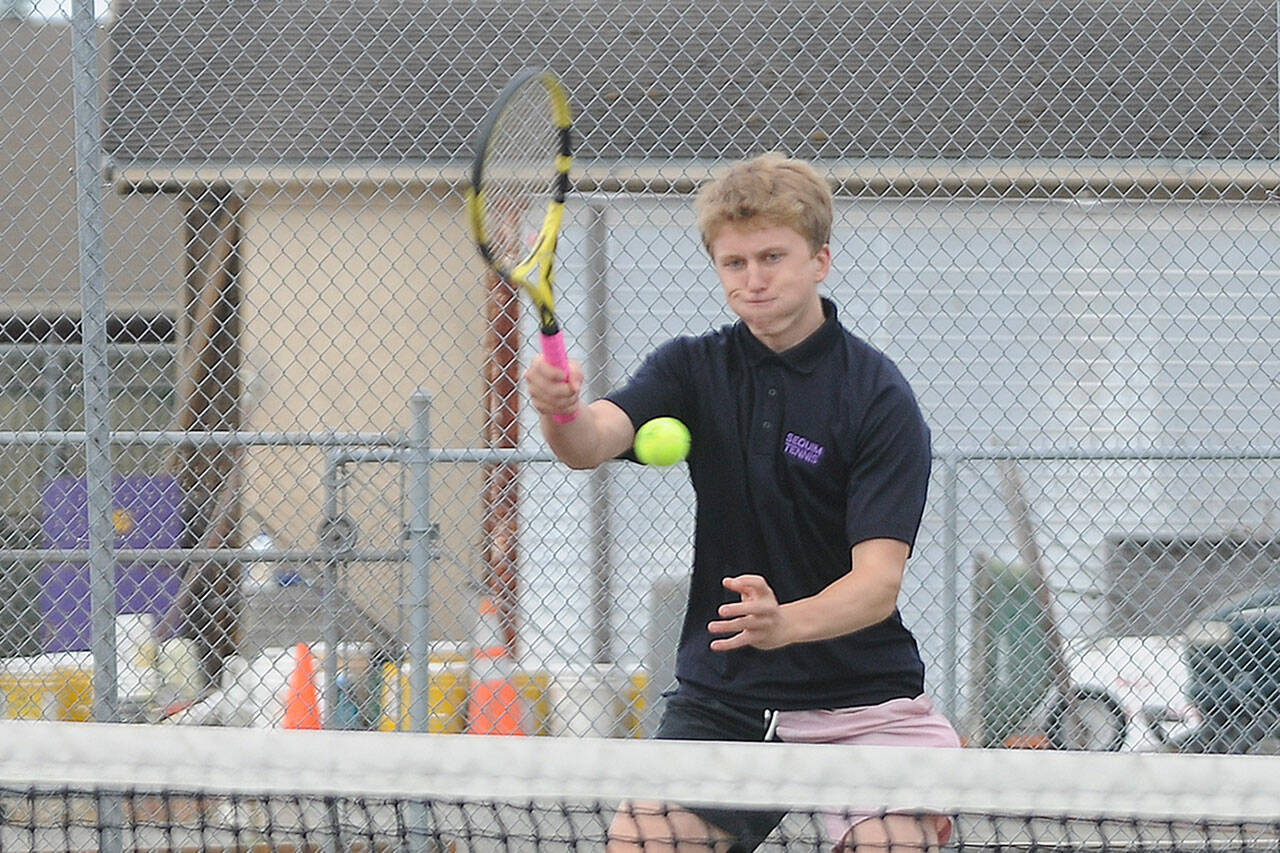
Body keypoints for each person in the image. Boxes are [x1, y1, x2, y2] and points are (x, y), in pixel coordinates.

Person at [524, 153, 960, 853]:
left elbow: (877, 584)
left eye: (771, 256)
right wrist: (558, 410)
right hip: (725, 696)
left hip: (864, 703)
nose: (753, 279)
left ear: (820, 259)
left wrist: (784, 621)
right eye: (734, 263)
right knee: (641, 842)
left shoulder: (876, 397)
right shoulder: (691, 368)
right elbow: (588, 442)